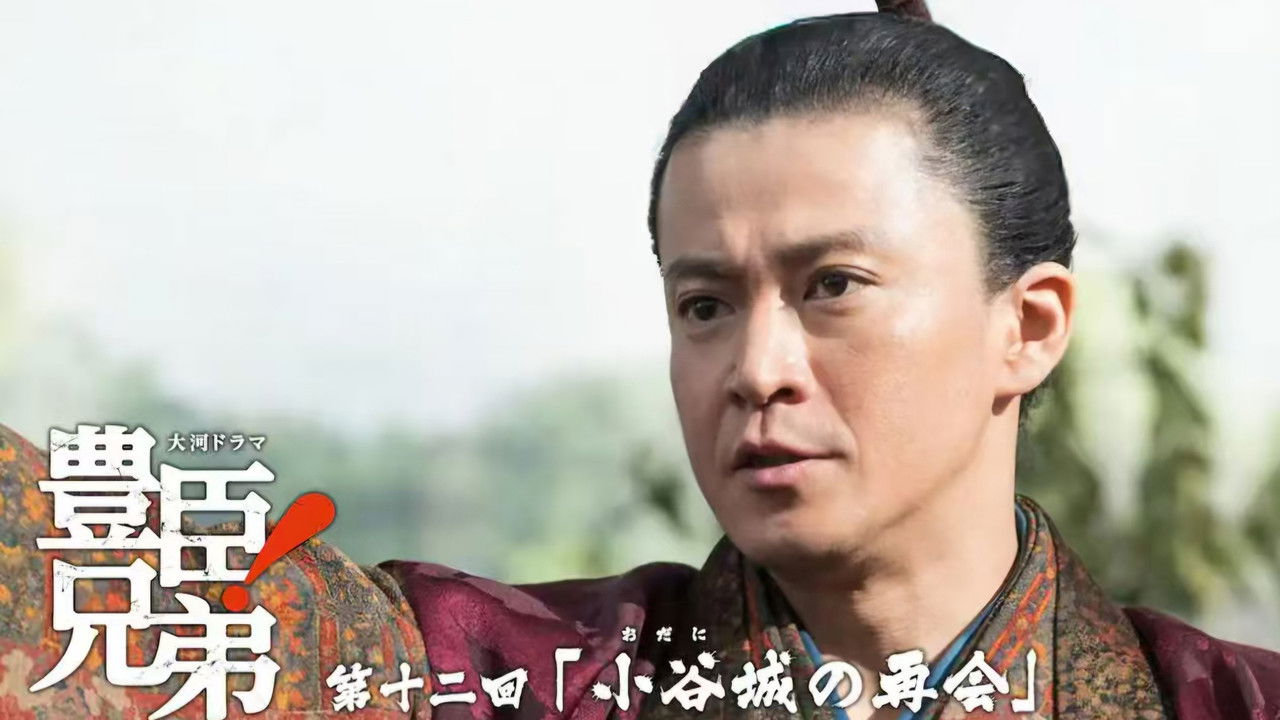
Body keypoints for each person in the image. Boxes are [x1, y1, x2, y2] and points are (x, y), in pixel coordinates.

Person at [2, 3, 1277, 720]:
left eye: (830, 286)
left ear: (1028, 324)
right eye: (703, 304)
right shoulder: (512, 681)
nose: (756, 368)